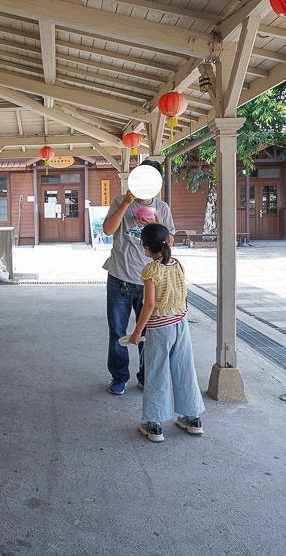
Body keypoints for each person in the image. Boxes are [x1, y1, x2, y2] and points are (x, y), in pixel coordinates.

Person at [101, 159, 175, 395]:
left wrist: (156, 225)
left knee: (147, 334)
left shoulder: (162, 208)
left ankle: (145, 375)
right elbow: (108, 229)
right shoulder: (119, 201)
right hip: (119, 278)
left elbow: (169, 242)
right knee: (118, 333)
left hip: (149, 282)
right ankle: (119, 376)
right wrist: (126, 202)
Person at [128, 223, 204, 442]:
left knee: (156, 371)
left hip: (160, 327)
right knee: (184, 367)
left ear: (145, 247)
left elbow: (149, 305)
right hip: (181, 323)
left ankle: (154, 423)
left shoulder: (151, 270)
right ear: (168, 241)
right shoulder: (177, 264)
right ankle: (192, 418)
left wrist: (136, 332)